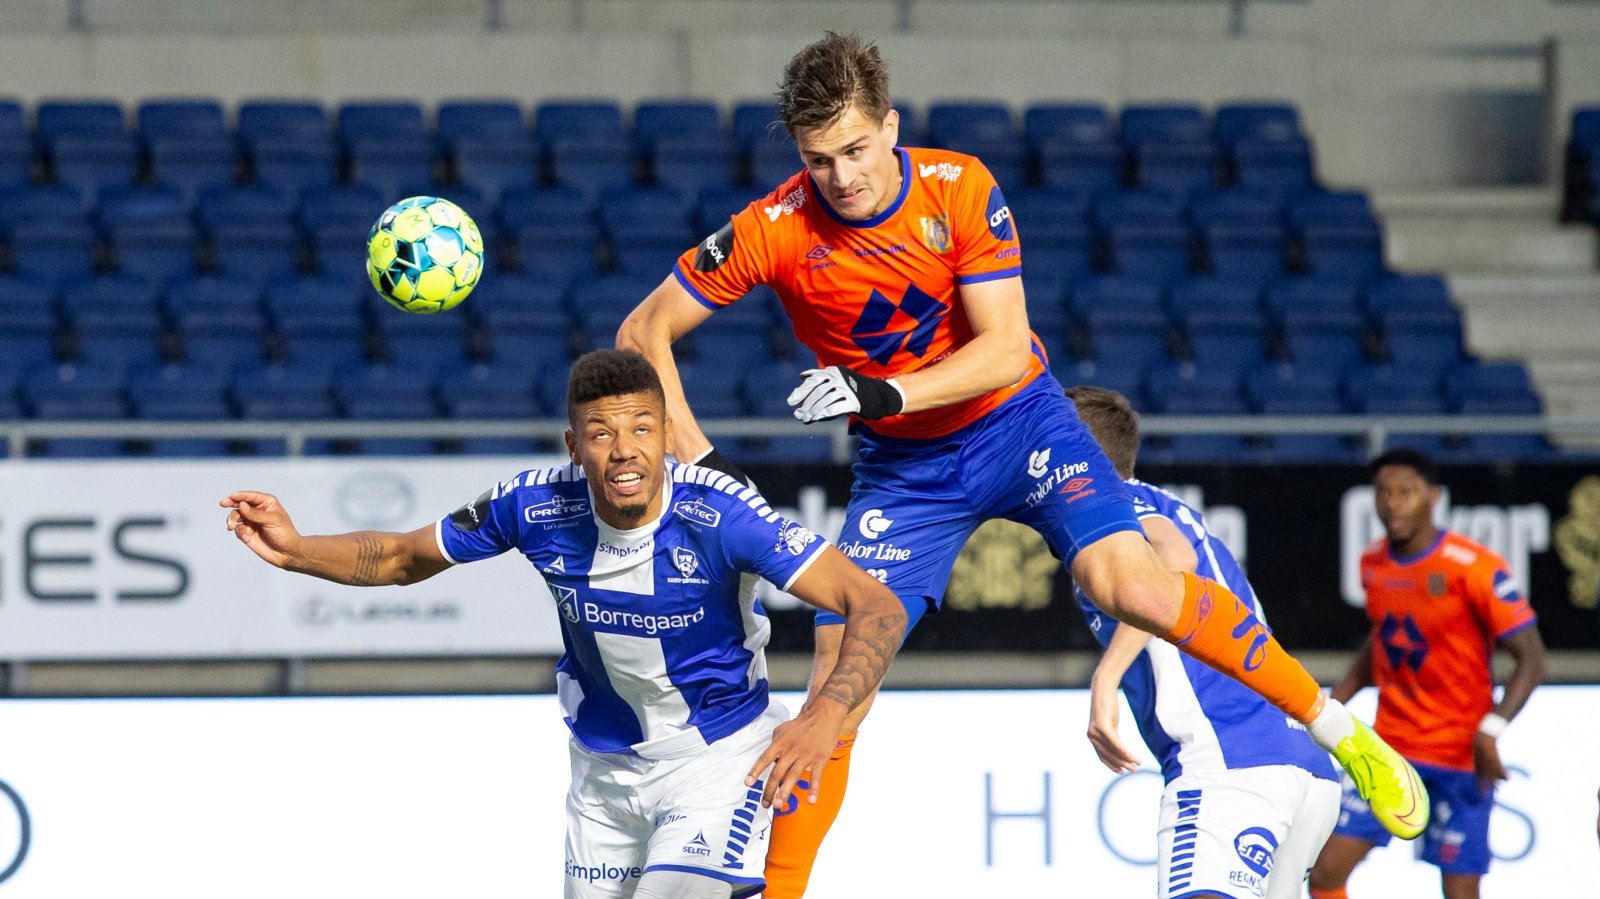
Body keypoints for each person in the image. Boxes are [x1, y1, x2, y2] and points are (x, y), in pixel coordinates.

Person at [616, 31, 1427, 898]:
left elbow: (1004, 349)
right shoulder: (773, 228)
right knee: (834, 691)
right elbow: (641, 332)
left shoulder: (960, 187)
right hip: (905, 471)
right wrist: (704, 467)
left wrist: (881, 391)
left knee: (1133, 587)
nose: (841, 177)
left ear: (890, 127)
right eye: (819, 160)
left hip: (1018, 421)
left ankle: (1338, 729)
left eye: (855, 150)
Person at [220, 349, 907, 899]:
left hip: (718, 762)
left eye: (642, 428)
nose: (625, 450)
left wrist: (825, 716)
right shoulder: (533, 504)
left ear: (667, 436)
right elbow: (403, 557)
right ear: (574, 446)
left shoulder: (723, 515)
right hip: (602, 778)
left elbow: (877, 605)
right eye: (602, 433)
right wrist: (297, 550)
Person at [1067, 387, 1341, 899]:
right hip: (1299, 761)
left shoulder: (1109, 506)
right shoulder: (1161, 504)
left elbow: (1175, 562)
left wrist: (1106, 677)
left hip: (1229, 759)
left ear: (1073, 451)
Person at [1308, 448, 1548, 899]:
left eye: (1406, 492)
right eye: (1383, 493)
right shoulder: (1373, 562)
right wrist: (1330, 705)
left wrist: (1490, 731)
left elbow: (1532, 660)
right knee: (1324, 872)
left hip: (1461, 754)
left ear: (1433, 496)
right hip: (1390, 747)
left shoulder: (1474, 567)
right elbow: (1382, 638)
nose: (1392, 503)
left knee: (1460, 893)